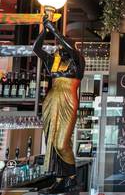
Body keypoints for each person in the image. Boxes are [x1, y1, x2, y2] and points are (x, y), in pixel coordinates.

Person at [33, 15, 85, 194]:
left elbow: (71, 48)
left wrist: (54, 29)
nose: (60, 49)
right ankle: (59, 179)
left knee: (62, 143)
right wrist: (44, 28)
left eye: (63, 46)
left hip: (67, 101)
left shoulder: (77, 63)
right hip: (51, 101)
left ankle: (72, 178)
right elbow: (36, 48)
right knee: (52, 141)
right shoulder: (54, 64)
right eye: (59, 47)